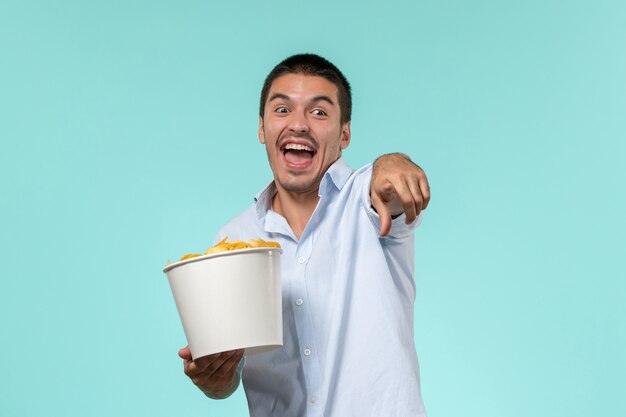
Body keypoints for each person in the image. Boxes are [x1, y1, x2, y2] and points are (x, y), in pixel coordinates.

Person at [178, 53, 430, 416]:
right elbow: (227, 374)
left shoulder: (367, 199)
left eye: (319, 112)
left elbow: (389, 188)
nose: (298, 124)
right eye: (282, 110)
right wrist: (218, 380)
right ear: (262, 128)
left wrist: (392, 163)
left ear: (345, 133)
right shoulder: (233, 238)